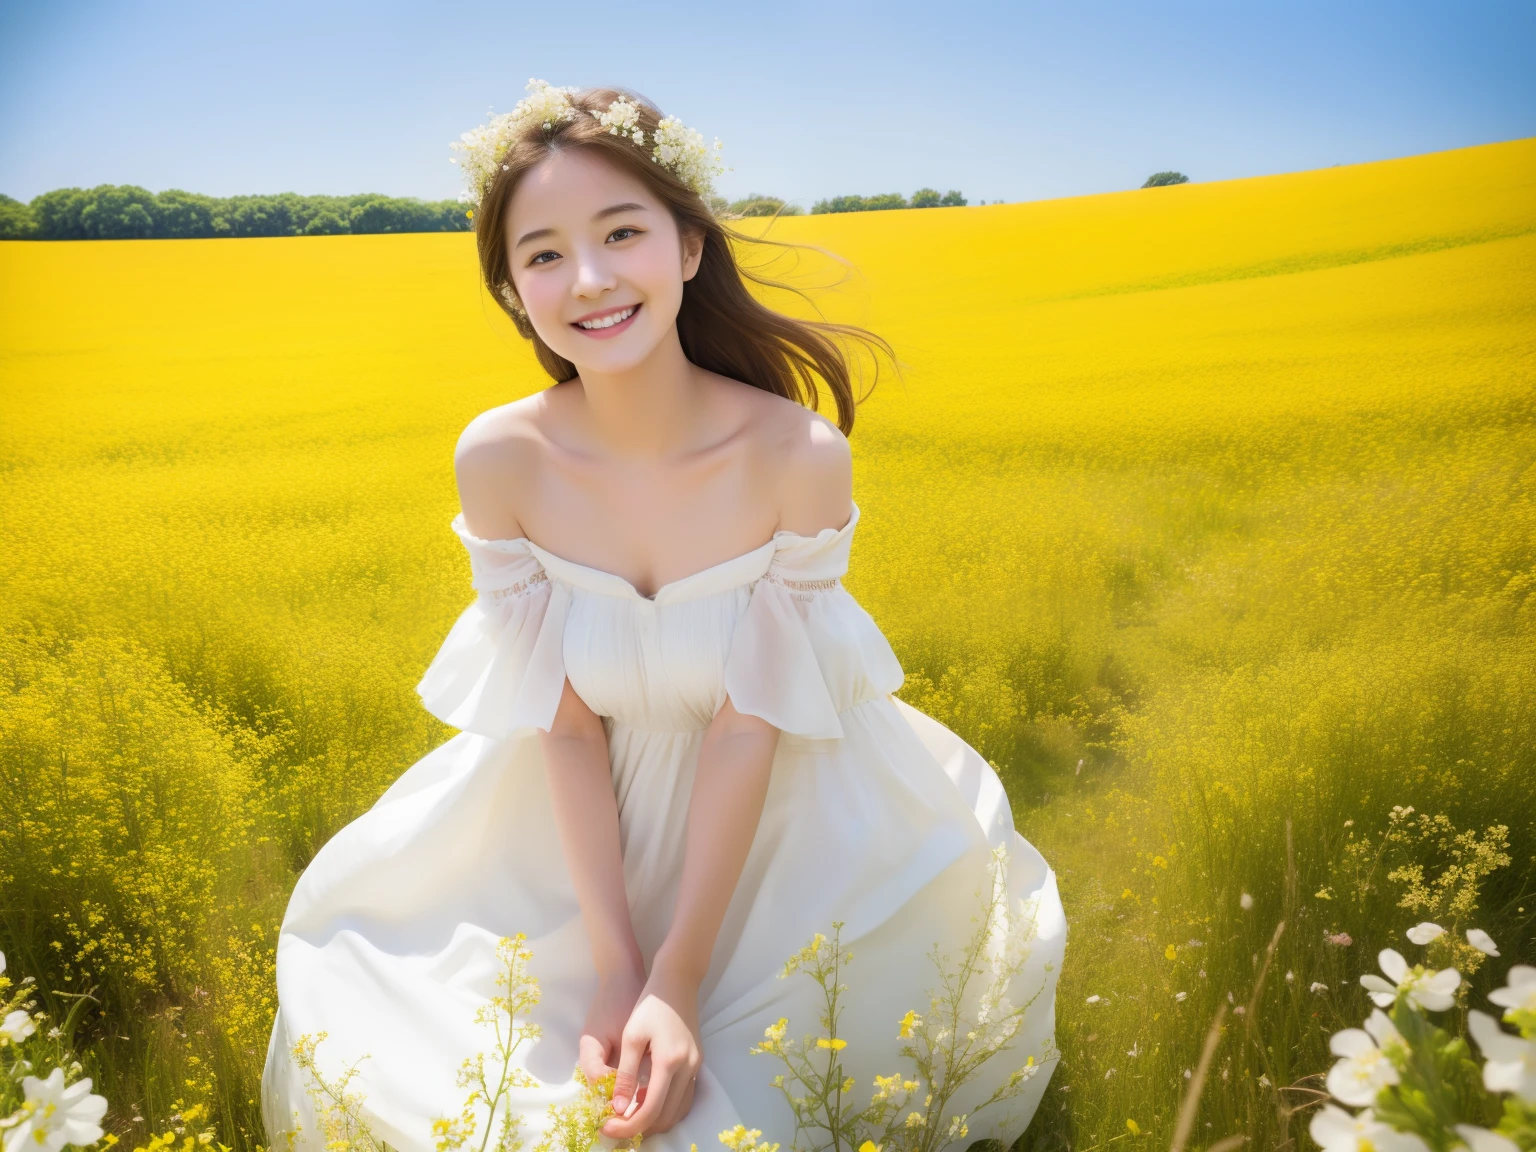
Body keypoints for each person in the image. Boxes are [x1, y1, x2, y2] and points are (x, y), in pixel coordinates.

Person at [261, 81, 1065, 1152]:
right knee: (438, 1060)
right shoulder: (498, 458)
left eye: (622, 232)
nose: (587, 279)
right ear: (511, 289)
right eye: (542, 254)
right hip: (566, 820)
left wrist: (677, 979)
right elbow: (566, 724)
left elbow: (749, 724)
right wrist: (616, 969)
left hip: (785, 811)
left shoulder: (798, 457)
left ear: (689, 246)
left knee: (789, 1087)